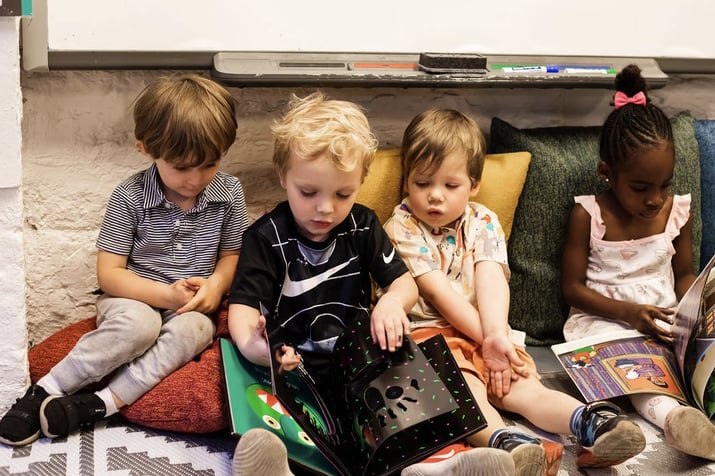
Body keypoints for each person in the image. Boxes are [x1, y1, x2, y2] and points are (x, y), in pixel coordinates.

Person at [228, 92, 516, 476]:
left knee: (407, 401)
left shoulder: (363, 225)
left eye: (343, 194)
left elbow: (404, 285)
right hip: (294, 365)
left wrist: (392, 303)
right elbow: (243, 307)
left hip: (361, 363)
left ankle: (432, 465)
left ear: (360, 182)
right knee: (291, 425)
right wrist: (257, 346)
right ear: (284, 178)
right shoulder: (265, 238)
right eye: (308, 193)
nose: (325, 208)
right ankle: (278, 465)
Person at [383, 108, 647, 474]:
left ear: (474, 184)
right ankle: (506, 442)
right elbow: (439, 293)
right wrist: (488, 339)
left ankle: (592, 423)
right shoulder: (401, 226)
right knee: (464, 391)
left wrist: (496, 338)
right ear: (406, 182)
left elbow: (491, 278)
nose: (435, 198)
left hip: (487, 329)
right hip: (432, 337)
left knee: (523, 387)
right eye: (422, 183)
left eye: (450, 185)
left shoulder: (483, 220)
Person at [0, 75, 249, 446]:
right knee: (139, 326)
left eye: (209, 165)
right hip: (134, 298)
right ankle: (44, 389)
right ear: (146, 148)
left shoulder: (229, 193)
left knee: (197, 331)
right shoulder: (131, 197)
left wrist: (214, 286)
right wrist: (166, 296)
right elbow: (110, 274)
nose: (195, 180)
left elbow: (231, 256)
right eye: (181, 167)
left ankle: (101, 405)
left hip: (190, 307)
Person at [561, 64, 715, 461]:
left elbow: (684, 274)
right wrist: (630, 314)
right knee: (641, 375)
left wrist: (693, 314)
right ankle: (674, 422)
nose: (656, 199)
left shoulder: (677, 211)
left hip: (663, 320)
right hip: (603, 322)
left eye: (665, 185)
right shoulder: (588, 215)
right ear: (607, 174)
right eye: (641, 188)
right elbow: (572, 288)